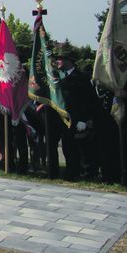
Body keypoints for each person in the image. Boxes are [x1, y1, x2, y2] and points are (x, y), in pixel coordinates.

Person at [55, 48, 100, 180]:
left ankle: (87, 175)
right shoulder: (63, 78)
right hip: (66, 121)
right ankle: (71, 173)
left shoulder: (81, 78)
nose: (58, 61)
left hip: (79, 121)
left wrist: (84, 119)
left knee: (83, 150)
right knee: (68, 149)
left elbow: (87, 100)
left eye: (60, 59)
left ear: (69, 61)